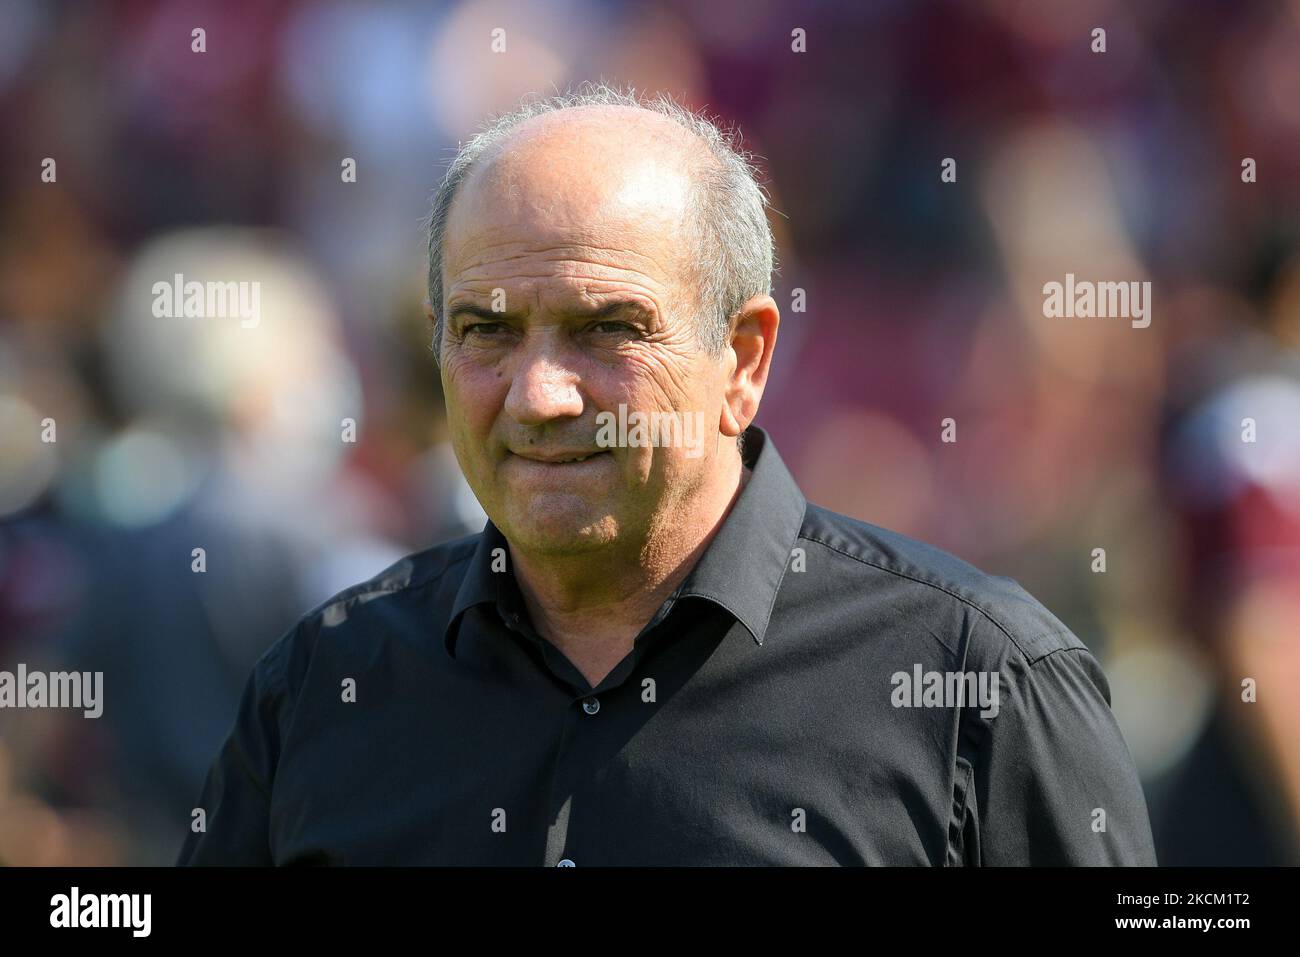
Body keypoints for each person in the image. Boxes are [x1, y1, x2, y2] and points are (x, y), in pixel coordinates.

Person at [178, 83, 1155, 866]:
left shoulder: (981, 688)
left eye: (606, 329)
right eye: (487, 331)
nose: (540, 395)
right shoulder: (321, 684)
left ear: (744, 361)